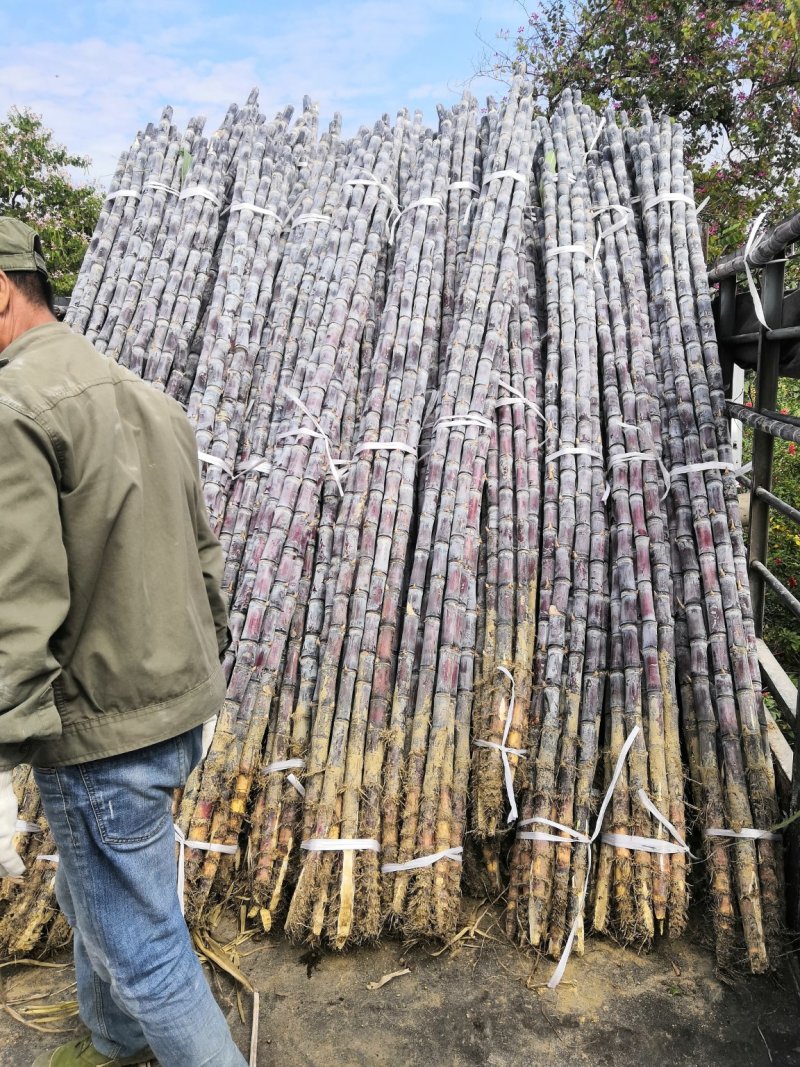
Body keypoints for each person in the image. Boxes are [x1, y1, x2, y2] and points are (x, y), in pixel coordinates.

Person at [0, 218, 247, 1067]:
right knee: (94, 890)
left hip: (100, 730)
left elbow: (13, 600)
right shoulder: (153, 399)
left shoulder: (13, 410)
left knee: (143, 946)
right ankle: (111, 1042)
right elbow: (206, 562)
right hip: (175, 707)